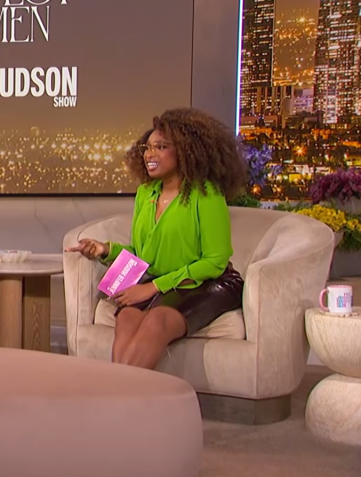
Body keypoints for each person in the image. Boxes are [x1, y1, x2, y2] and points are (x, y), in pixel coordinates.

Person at [67, 108, 248, 370]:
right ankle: (122, 390)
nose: (150, 154)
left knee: (157, 320)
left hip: (209, 282)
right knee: (127, 317)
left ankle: (117, 391)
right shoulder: (146, 193)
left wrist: (153, 287)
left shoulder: (206, 194)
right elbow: (144, 253)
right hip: (164, 281)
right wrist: (105, 249)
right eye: (148, 147)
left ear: (185, 151)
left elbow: (215, 262)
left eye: (161, 147)